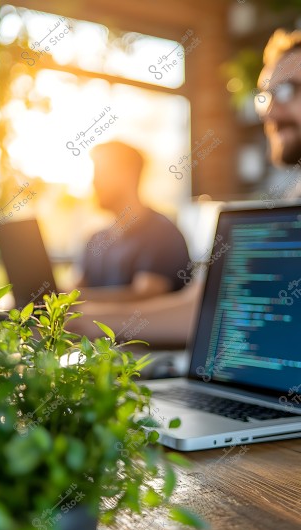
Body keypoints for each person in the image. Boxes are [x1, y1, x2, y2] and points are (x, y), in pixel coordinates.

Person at [70, 28, 301, 346]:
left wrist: (83, 320)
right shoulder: (287, 204)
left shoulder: (160, 232)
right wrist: (77, 320)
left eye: (288, 91)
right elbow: (207, 308)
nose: (270, 112)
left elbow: (206, 314)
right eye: (265, 96)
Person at [76, 141, 191, 302]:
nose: (93, 182)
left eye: (101, 172)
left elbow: (144, 297)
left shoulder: (162, 233)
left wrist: (74, 300)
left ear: (127, 175)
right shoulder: (96, 239)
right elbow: (77, 286)